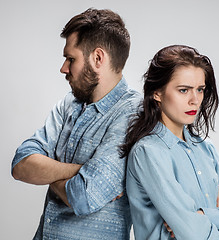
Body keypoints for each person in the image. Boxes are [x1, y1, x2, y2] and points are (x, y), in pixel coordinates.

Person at [11, 8, 141, 239]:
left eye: (71, 59)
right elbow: (21, 165)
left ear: (98, 58)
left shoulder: (134, 114)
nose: (63, 68)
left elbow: (84, 195)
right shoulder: (68, 104)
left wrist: (48, 171)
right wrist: (83, 171)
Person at [121, 45, 219, 239]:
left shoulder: (206, 149)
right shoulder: (148, 152)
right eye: (184, 90)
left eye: (200, 89)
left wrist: (205, 216)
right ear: (157, 93)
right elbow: (193, 233)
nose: (195, 100)